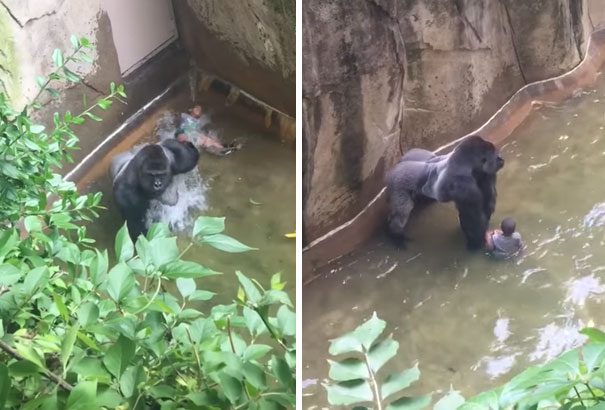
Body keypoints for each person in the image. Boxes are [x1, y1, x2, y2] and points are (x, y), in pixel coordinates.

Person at [177, 104, 242, 155]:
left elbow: (195, 130)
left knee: (209, 139)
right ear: (190, 110)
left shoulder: (196, 121)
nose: (198, 109)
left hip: (189, 135)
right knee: (208, 140)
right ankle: (226, 149)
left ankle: (226, 148)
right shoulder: (184, 116)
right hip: (186, 134)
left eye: (199, 110)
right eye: (196, 108)